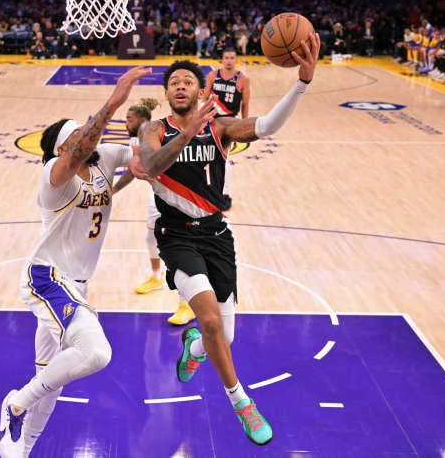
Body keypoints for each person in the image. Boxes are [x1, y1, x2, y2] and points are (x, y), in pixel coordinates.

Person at [136, 33, 320, 446]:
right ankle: (242, 404)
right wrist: (184, 136)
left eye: (188, 81)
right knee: (213, 321)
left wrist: (302, 83)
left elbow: (267, 126)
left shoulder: (220, 127)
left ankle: (194, 348)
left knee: (223, 336)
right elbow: (149, 163)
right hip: (177, 237)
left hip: (218, 235)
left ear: (201, 91)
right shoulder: (153, 130)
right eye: (174, 82)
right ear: (167, 93)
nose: (181, 85)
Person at [0, 66, 151, 458]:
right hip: (47, 278)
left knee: (52, 379)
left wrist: (180, 131)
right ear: (64, 148)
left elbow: (145, 155)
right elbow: (83, 145)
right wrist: (115, 100)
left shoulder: (104, 159)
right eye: (78, 136)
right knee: (96, 352)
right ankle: (14, 404)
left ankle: (22, 448)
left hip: (76, 284)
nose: (87, 136)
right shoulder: (54, 176)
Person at [113, 98, 196, 325]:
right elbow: (133, 169)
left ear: (141, 120)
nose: (124, 122)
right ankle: (156, 277)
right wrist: (114, 189)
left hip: (179, 196)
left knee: (179, 248)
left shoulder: (156, 133)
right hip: (158, 193)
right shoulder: (135, 138)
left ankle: (186, 303)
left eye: (128, 118)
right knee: (151, 237)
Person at [204, 47, 252, 211]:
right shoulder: (212, 76)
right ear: (222, 60)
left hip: (230, 123)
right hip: (212, 121)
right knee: (209, 158)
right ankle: (210, 191)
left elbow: (245, 104)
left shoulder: (243, 79)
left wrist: (245, 126)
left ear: (236, 60)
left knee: (223, 158)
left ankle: (225, 194)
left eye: (232, 57)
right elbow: (204, 99)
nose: (229, 60)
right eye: (227, 57)